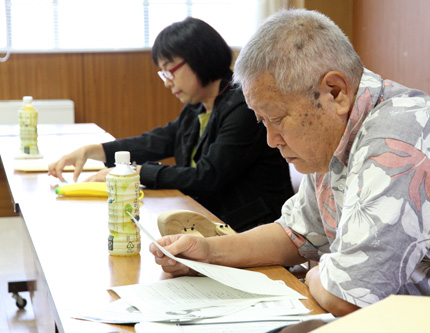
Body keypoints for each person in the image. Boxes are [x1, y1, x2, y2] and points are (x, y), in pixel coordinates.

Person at [149, 8, 430, 318]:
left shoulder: (398, 144)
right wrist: (207, 253)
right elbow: (294, 234)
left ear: (335, 91)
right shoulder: (339, 132)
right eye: (262, 122)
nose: (271, 140)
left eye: (277, 118)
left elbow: (349, 297)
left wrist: (316, 272)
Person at [48, 17, 294, 232]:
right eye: (163, 73)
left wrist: (136, 172)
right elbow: (158, 141)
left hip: (251, 228)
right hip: (211, 218)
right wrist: (94, 151)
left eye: (170, 70)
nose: (167, 82)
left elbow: (206, 177)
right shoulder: (199, 106)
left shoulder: (243, 105)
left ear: (199, 59)